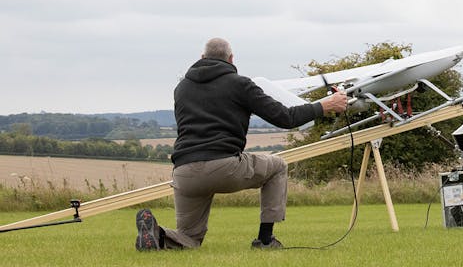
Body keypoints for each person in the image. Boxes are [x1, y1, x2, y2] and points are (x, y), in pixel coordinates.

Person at [134, 37, 348, 251]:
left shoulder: (181, 88)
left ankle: (157, 234)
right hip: (225, 166)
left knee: (189, 238)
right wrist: (324, 105)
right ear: (231, 58)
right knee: (278, 166)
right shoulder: (240, 84)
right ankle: (265, 240)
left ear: (201, 58)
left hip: (185, 173)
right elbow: (286, 118)